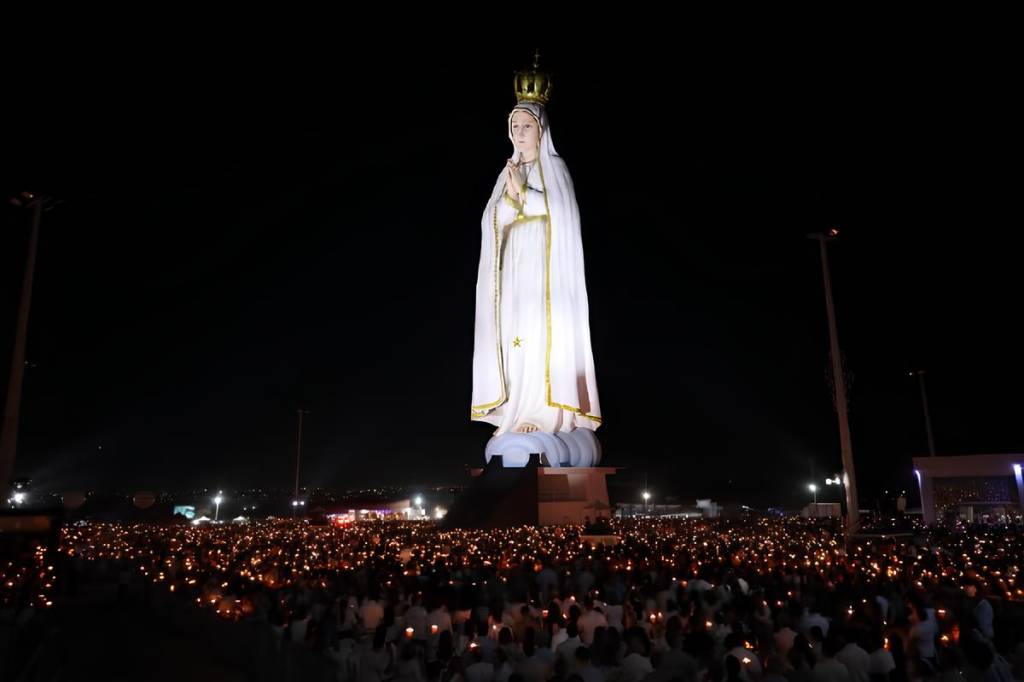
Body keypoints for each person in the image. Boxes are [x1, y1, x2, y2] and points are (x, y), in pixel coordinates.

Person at [471, 56, 602, 454]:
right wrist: (510, 198)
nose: (520, 132)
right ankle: (514, 411)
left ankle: (544, 412)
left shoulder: (555, 168)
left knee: (540, 337)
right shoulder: (506, 171)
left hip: (545, 273)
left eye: (527, 125)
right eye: (515, 126)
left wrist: (524, 195)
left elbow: (562, 214)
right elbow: (491, 218)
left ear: (542, 129)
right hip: (514, 270)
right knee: (515, 339)